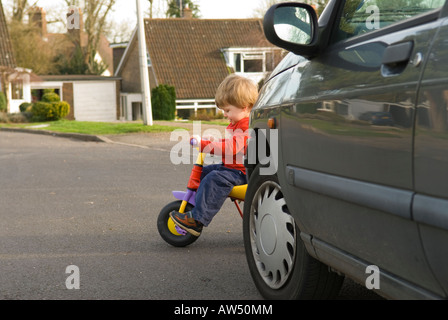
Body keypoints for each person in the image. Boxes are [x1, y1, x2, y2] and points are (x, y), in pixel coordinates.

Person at [170, 74, 259, 236]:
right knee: (205, 173)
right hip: (233, 168)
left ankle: (197, 220)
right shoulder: (237, 123)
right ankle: (197, 207)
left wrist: (205, 145)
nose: (225, 114)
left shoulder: (246, 125)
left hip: (242, 173)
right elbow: (232, 143)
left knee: (214, 179)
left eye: (227, 110)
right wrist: (215, 141)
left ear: (244, 107)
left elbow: (232, 148)